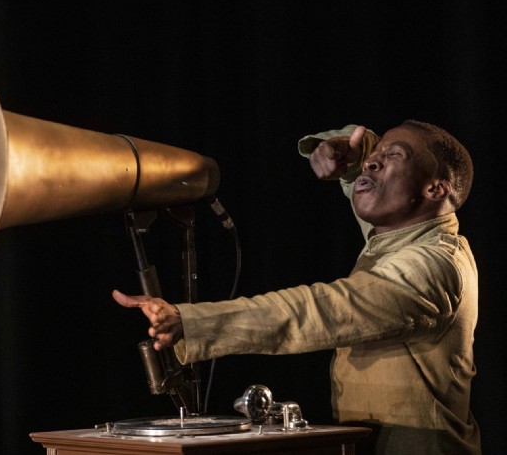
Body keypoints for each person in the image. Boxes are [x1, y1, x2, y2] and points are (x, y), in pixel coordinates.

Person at [113, 121, 480, 454]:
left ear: (435, 189)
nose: (372, 163)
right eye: (376, 154)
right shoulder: (401, 235)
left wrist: (192, 322)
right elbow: (365, 160)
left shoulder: (433, 266)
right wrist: (351, 156)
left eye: (393, 157)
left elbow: (320, 310)